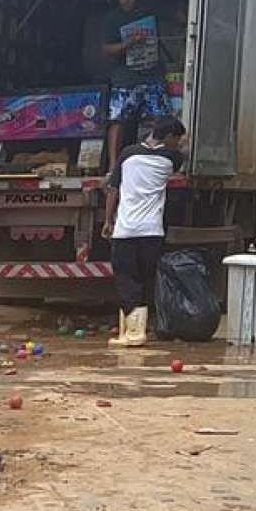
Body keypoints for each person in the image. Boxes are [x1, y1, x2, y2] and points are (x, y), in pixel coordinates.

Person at [102, 114, 186, 348]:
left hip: (126, 230)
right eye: (177, 139)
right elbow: (181, 158)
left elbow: (112, 189)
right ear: (168, 137)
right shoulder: (171, 158)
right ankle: (133, 331)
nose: (178, 144)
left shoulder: (128, 154)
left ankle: (133, 333)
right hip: (152, 232)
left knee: (126, 279)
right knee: (144, 280)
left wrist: (108, 221)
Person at [100, 0, 173, 169]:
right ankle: (113, 166)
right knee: (118, 120)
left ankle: (161, 161)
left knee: (161, 119)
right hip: (125, 78)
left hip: (152, 75)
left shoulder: (149, 13)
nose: (126, 1)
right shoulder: (113, 18)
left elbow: (175, 17)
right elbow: (107, 49)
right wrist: (130, 43)